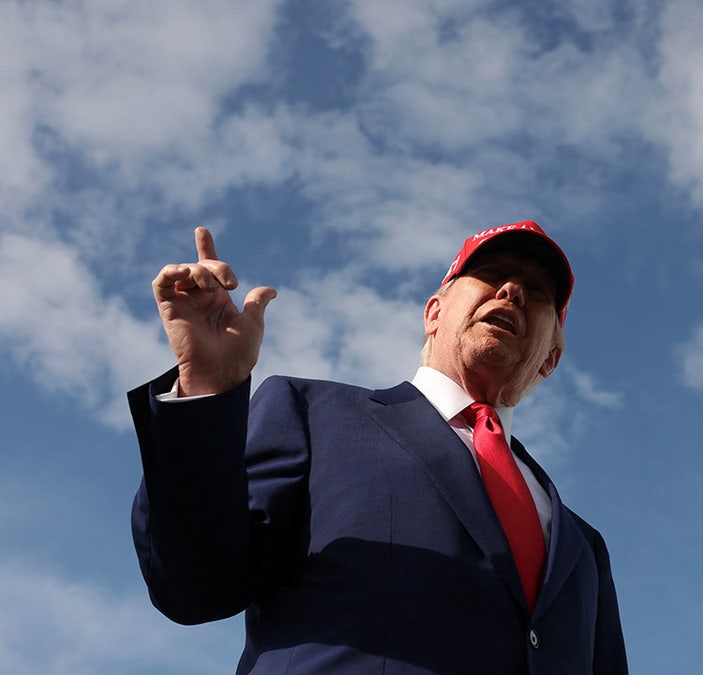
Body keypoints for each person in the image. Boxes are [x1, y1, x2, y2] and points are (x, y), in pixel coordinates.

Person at [128, 221, 628, 674]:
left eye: (538, 292)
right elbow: (194, 586)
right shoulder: (311, 413)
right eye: (491, 274)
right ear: (434, 312)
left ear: (551, 359)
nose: (512, 290)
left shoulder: (583, 547)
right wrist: (208, 388)